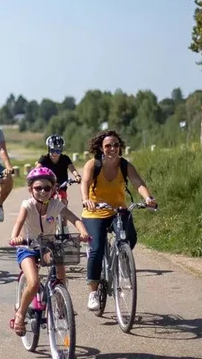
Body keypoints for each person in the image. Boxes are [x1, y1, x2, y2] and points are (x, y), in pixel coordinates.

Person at [80, 129, 157, 311]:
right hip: (95, 212)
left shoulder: (125, 165)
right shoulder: (93, 164)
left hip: (117, 210)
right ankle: (93, 292)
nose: (112, 148)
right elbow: (85, 182)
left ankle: (122, 258)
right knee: (97, 248)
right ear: (101, 147)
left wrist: (148, 198)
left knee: (130, 237)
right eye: (108, 145)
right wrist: (86, 199)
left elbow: (138, 183)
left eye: (116, 145)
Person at [8, 166, 90, 337]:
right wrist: (15, 237)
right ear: (31, 189)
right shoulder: (27, 205)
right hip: (27, 247)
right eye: (38, 188)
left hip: (48, 246)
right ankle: (20, 314)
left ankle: (61, 303)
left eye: (47, 188)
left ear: (53, 189)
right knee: (33, 282)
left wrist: (83, 232)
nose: (43, 191)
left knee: (61, 274)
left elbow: (74, 218)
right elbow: (19, 222)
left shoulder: (56, 204)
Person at [35, 134, 82, 205]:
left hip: (62, 186)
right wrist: (35, 178)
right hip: (48, 186)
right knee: (43, 203)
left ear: (61, 150)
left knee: (63, 201)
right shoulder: (44, 158)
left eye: (58, 151)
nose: (55, 153)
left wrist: (77, 176)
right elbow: (36, 170)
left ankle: (64, 215)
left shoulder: (65, 158)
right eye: (52, 150)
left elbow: (72, 169)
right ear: (48, 149)